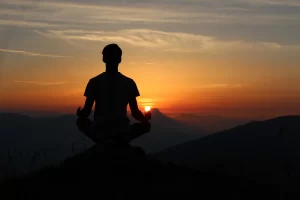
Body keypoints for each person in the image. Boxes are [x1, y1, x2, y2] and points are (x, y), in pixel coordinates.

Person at [76, 44, 151, 144]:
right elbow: (135, 113)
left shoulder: (94, 81)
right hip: (122, 131)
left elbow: (86, 111)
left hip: (99, 130)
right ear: (120, 59)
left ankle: (103, 141)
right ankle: (119, 141)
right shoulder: (129, 82)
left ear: (104, 58)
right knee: (146, 126)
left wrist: (80, 114)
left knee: (80, 122)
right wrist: (145, 118)